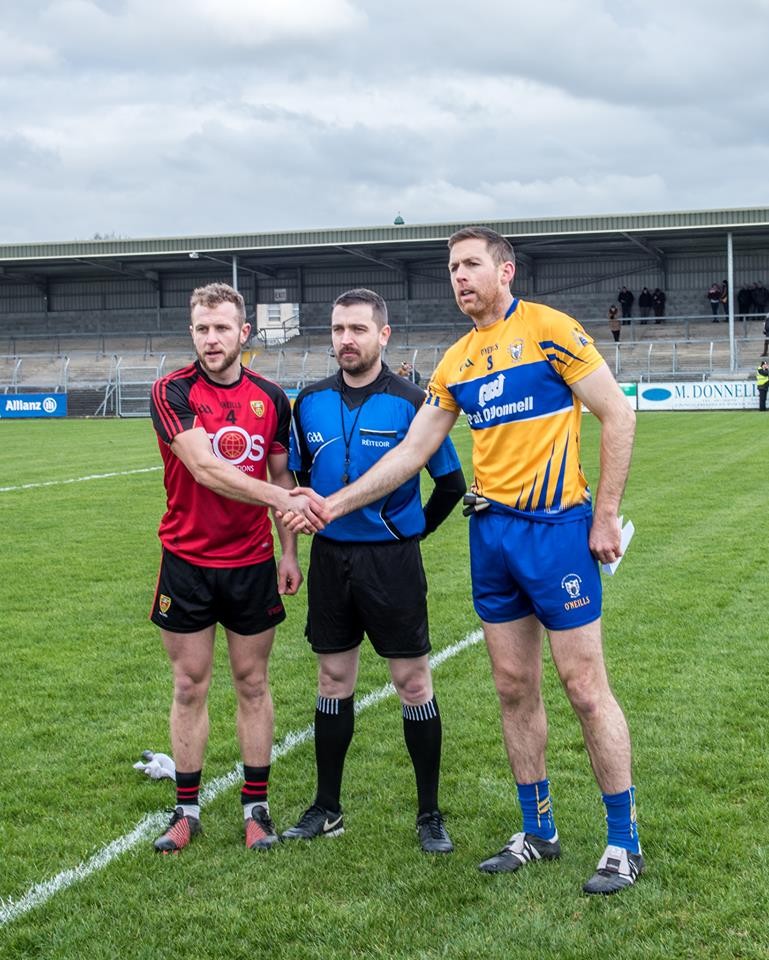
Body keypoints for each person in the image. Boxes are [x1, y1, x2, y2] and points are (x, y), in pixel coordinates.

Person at [287, 227, 641, 896]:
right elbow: (410, 455)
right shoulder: (455, 362)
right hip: (492, 536)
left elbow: (617, 415)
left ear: (505, 270)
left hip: (556, 532)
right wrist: (332, 505)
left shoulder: (550, 330)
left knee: (584, 688)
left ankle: (623, 842)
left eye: (471, 264)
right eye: (452, 267)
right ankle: (537, 830)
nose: (459, 277)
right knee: (511, 686)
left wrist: (604, 515)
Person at [281, 288, 466, 853]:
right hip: (330, 559)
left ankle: (429, 814)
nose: (347, 340)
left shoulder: (414, 401)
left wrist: (411, 534)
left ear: (383, 335)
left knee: (413, 683)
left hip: (392, 563)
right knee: (332, 681)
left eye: (358, 329)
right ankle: (327, 808)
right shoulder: (309, 401)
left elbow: (450, 485)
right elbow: (295, 481)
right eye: (339, 329)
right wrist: (295, 543)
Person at [148, 282, 322, 854]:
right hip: (186, 562)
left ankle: (256, 809)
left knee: (252, 683)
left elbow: (279, 473)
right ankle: (186, 811)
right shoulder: (172, 390)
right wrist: (286, 501)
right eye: (202, 328)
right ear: (191, 332)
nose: (211, 338)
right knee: (188, 684)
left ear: (244, 332)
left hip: (251, 563)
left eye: (222, 327)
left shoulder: (271, 397)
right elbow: (205, 468)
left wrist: (289, 551)